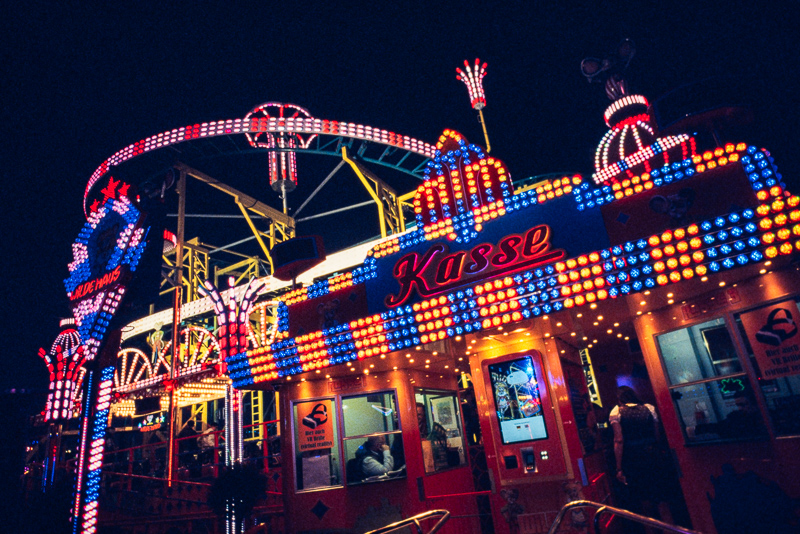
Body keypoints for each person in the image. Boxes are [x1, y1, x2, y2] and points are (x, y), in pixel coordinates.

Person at [609, 386, 673, 525]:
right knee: (662, 497)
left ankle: (650, 530)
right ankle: (669, 529)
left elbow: (619, 440)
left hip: (633, 458)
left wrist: (618, 467)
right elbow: (657, 434)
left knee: (643, 499)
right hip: (653, 454)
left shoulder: (616, 411)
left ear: (620, 399)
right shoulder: (649, 408)